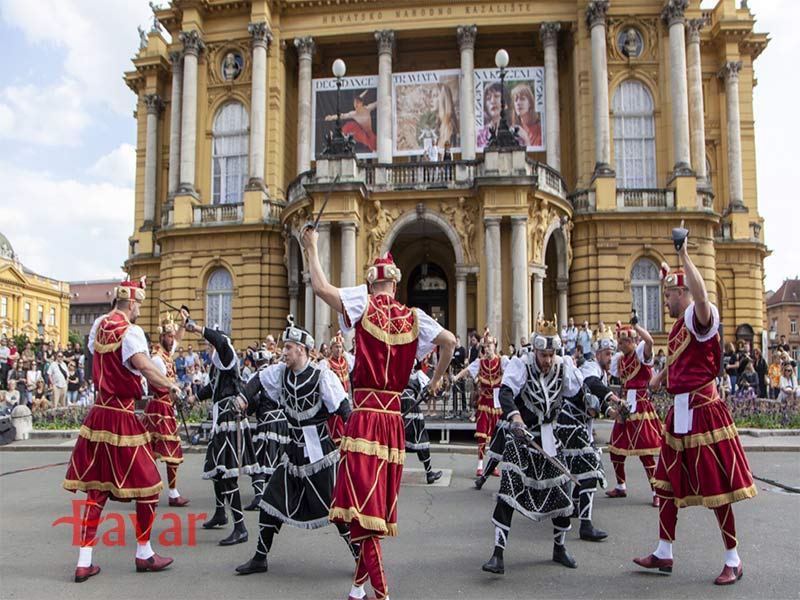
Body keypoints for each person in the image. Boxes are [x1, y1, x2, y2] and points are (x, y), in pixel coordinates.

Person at [304, 225, 456, 600]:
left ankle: (381, 593)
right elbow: (450, 342)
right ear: (396, 283)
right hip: (393, 424)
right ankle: (357, 590)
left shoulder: (363, 303)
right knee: (372, 509)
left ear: (372, 283)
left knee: (359, 510)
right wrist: (435, 379)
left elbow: (322, 289)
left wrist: (311, 247)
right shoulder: (416, 316)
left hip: (366, 418)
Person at [633, 235, 757, 586]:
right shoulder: (678, 329)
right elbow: (678, 363)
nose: (665, 301)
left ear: (681, 293)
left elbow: (702, 296)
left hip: (704, 411)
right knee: (667, 482)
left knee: (715, 487)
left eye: (668, 296)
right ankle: (663, 551)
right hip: (680, 411)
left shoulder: (700, 317)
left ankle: (733, 558)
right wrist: (658, 377)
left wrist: (684, 255)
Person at [62, 278, 182, 583]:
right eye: (139, 305)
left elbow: (98, 358)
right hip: (122, 416)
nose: (139, 309)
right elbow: (144, 366)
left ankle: (83, 561)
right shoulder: (131, 331)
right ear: (132, 303)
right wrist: (170, 384)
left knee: (96, 489)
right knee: (151, 484)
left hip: (97, 416)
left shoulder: (99, 325)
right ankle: (144, 552)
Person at [235, 317, 358, 575]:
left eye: (288, 348)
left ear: (300, 350)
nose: (283, 353)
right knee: (271, 501)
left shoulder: (322, 376)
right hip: (292, 453)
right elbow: (258, 379)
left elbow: (344, 409)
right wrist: (243, 397)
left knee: (337, 510)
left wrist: (357, 437)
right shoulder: (281, 372)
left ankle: (361, 558)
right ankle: (260, 557)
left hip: (320, 454)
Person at [481, 316, 584, 575]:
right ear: (535, 350)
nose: (547, 360)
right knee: (509, 491)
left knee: (562, 492)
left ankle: (559, 548)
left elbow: (578, 393)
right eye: (543, 354)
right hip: (523, 435)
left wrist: (596, 404)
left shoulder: (564, 367)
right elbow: (505, 392)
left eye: (551, 354)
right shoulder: (521, 365)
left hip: (550, 437)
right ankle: (497, 553)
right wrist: (515, 418)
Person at [188, 321, 258, 546]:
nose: (210, 349)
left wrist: (198, 329)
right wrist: (194, 398)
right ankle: (221, 512)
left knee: (227, 471)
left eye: (211, 345)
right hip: (222, 416)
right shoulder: (219, 366)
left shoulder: (227, 354)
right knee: (217, 469)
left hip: (230, 418)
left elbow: (219, 341)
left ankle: (240, 527)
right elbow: (212, 388)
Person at [557, 326, 619, 543]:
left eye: (612, 353)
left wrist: (611, 411)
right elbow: (590, 385)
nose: (610, 358)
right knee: (591, 469)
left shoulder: (601, 371)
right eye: (607, 354)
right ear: (598, 354)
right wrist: (612, 397)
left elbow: (593, 399)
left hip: (578, 425)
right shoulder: (590, 367)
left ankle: (575, 507)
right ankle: (586, 524)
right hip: (570, 424)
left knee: (581, 469)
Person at [606, 319, 663, 506]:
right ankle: (621, 486)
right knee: (615, 449)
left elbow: (650, 342)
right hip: (625, 406)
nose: (620, 345)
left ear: (631, 341)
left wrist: (637, 326)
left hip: (640, 405)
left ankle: (657, 491)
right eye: (619, 342)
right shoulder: (620, 360)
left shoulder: (642, 355)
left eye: (622, 342)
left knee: (645, 452)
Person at [143, 312, 190, 508]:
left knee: (164, 451)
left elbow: (179, 339)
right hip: (158, 408)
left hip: (166, 407)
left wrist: (183, 322)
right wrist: (176, 389)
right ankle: (154, 489)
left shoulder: (167, 354)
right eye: (168, 337)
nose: (172, 340)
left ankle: (171, 492)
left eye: (172, 336)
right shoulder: (156, 359)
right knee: (158, 450)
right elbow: (161, 383)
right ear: (161, 336)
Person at [453, 335, 509, 476]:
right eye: (485, 345)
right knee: (482, 434)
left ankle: (493, 465)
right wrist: (456, 377)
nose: (487, 348)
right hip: (484, 402)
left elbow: (513, 371)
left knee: (496, 435)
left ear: (495, 345)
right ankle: (480, 465)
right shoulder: (480, 362)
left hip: (497, 403)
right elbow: (467, 370)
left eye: (490, 344)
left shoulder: (502, 361)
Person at [242, 350, 289, 512]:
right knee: (281, 460)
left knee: (259, 459)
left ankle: (259, 495)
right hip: (283, 422)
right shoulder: (281, 373)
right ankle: (281, 496)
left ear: (255, 363)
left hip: (267, 422)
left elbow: (252, 400)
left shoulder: (259, 377)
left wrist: (247, 412)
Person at [400, 360, 443, 484]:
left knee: (420, 440)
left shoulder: (418, 375)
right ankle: (390, 473)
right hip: (398, 410)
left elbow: (430, 389)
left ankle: (429, 473)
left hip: (411, 411)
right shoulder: (398, 373)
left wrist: (436, 390)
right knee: (397, 442)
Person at [317, 331, 355, 449]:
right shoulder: (326, 363)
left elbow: (357, 361)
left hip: (345, 399)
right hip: (334, 402)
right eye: (336, 347)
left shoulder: (346, 360)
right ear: (331, 348)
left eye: (340, 347)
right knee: (336, 431)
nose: (338, 350)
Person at [509, 83, 542, 147]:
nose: (518, 103)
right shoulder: (512, 130)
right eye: (516, 100)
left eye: (522, 99)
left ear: (530, 103)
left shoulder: (539, 131)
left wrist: (526, 138)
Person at [476, 82, 503, 149]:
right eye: (488, 98)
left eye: (496, 96)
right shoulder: (480, 135)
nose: (492, 101)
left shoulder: (515, 132)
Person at [436, 83, 458, 149]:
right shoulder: (439, 122)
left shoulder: (448, 125)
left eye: (436, 96)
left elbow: (444, 150)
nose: (431, 99)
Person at [450, 335, 467, 418]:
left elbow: (464, 361)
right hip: (454, 370)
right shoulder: (453, 350)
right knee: (454, 391)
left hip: (461, 370)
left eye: (457, 341)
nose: (456, 342)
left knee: (462, 390)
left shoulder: (462, 350)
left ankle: (464, 407)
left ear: (459, 341)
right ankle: (454, 408)